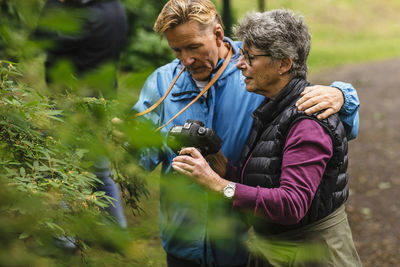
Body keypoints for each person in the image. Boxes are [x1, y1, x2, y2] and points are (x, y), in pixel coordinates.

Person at [133, 0, 360, 266]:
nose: (186, 59)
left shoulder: (277, 94)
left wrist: (343, 95)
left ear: (218, 34)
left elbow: (292, 202)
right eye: (176, 50)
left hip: (253, 244)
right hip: (189, 242)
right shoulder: (163, 82)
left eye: (193, 47)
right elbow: (260, 173)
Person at [35, 0, 128, 228]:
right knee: (98, 168)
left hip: (75, 104)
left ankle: (63, 237)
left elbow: (43, 38)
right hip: (103, 99)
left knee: (58, 168)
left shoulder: (83, 16)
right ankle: (117, 230)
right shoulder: (114, 7)